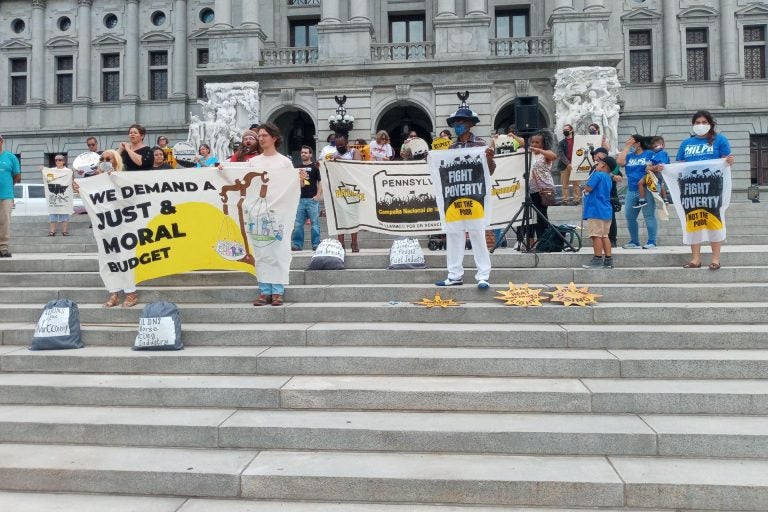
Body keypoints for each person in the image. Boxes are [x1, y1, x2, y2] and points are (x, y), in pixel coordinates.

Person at [435, 101, 495, 290]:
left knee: (478, 235)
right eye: (455, 122)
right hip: (454, 199)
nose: (457, 125)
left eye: (461, 122)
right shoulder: (451, 149)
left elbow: (490, 172)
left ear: (470, 124)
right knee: (453, 236)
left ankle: (483, 275)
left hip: (475, 197)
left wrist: (490, 159)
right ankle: (454, 275)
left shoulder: (481, 145)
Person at [674, 110, 735, 270]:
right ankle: (695, 259)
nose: (700, 125)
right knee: (694, 221)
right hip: (690, 188)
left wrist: (729, 160)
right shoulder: (686, 143)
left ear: (710, 124)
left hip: (713, 187)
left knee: (714, 222)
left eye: (704, 122)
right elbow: (679, 164)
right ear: (693, 125)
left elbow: (727, 161)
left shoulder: (720, 139)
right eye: (697, 122)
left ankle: (715, 259)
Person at [249, 122, 298, 307]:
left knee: (278, 251)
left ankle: (277, 290)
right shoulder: (253, 162)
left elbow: (292, 186)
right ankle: (264, 290)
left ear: (274, 138)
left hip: (278, 213)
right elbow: (244, 183)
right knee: (261, 251)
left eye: (264, 135)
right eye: (259, 136)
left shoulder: (284, 162)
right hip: (257, 212)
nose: (260, 138)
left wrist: (299, 180)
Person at [617, 134, 657, 249]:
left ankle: (652, 241)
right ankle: (634, 241)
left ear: (638, 143)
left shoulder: (649, 154)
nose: (628, 142)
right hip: (632, 189)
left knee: (649, 215)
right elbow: (620, 162)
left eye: (631, 141)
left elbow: (654, 167)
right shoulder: (629, 156)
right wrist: (626, 147)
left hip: (646, 189)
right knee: (629, 216)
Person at [582, 156, 616, 269]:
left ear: (603, 165)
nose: (596, 165)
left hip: (595, 210)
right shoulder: (608, 178)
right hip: (606, 210)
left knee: (596, 235)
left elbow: (589, 188)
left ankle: (597, 259)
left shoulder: (598, 175)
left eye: (598, 163)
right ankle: (608, 260)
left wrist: (585, 186)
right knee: (604, 235)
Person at [332, 132, 363, 252]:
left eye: (341, 144)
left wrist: (341, 161)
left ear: (346, 144)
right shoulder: (334, 154)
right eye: (337, 145)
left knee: (352, 217)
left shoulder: (354, 152)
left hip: (352, 190)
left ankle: (354, 243)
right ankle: (341, 244)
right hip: (339, 189)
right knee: (340, 218)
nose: (339, 147)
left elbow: (357, 166)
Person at [526, 132, 557, 248]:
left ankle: (543, 242)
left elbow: (553, 156)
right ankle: (530, 243)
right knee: (530, 217)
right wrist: (512, 136)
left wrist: (540, 151)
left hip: (543, 190)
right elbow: (523, 142)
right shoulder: (529, 154)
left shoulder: (545, 154)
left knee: (541, 216)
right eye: (532, 142)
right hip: (531, 190)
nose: (534, 144)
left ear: (543, 144)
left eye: (537, 142)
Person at [291, 145, 322, 251]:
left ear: (310, 154)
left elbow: (320, 181)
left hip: (312, 199)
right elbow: (297, 184)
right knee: (298, 224)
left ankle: (316, 244)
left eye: (305, 152)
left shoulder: (315, 167)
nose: (303, 154)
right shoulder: (297, 167)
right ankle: (297, 244)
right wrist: (301, 180)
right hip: (299, 199)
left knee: (315, 224)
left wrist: (318, 195)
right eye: (302, 152)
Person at [591, 147, 623, 247]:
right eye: (594, 154)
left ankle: (612, 240)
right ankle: (599, 240)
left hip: (610, 196)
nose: (595, 156)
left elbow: (620, 178)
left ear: (604, 155)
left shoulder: (613, 165)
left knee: (611, 219)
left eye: (597, 154)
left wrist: (610, 175)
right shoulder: (594, 167)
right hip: (597, 197)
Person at [0, 135, 21, 258]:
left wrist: (8, 185)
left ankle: (3, 249)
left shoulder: (11, 157)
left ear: (1, 141)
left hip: (6, 195)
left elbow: (17, 176)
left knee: (5, 222)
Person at [637, 136, 670, 207]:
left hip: (655, 173)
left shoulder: (661, 153)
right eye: (653, 147)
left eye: (656, 146)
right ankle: (665, 199)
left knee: (640, 183)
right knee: (662, 184)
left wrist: (650, 167)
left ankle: (642, 200)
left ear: (662, 145)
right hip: (661, 174)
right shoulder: (661, 154)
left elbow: (660, 164)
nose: (654, 148)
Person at [45, 154, 72, 236]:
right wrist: (42, 169)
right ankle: (52, 231)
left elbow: (71, 182)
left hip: (64, 194)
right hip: (54, 193)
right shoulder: (51, 170)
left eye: (59, 160)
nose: (57, 161)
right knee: (53, 211)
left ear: (63, 161)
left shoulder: (68, 171)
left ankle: (64, 231)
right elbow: (48, 178)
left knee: (65, 211)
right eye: (56, 160)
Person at [556, 123, 581, 205]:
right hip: (564, 166)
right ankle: (565, 200)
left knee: (576, 184)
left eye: (566, 130)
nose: (565, 131)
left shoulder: (577, 141)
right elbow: (561, 154)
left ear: (571, 130)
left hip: (575, 165)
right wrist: (568, 163)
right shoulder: (561, 142)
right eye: (564, 130)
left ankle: (576, 200)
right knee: (564, 184)